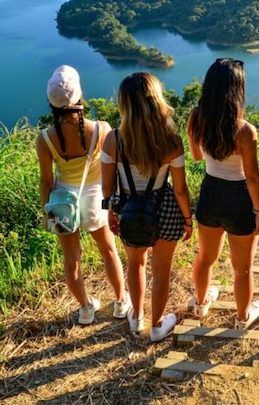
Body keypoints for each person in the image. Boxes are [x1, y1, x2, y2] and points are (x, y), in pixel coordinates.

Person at [101, 72, 194, 342]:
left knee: (135, 264)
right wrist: (188, 219)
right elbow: (180, 188)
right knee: (162, 269)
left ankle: (137, 318)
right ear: (157, 101)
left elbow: (108, 188)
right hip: (165, 208)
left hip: (130, 208)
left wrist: (111, 212)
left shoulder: (113, 139)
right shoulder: (171, 140)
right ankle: (156, 326)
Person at [37, 65, 129, 325]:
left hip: (63, 203)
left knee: (71, 259)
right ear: (79, 97)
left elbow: (46, 181)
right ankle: (121, 302)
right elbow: (114, 168)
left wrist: (46, 212)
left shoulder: (45, 139)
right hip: (96, 200)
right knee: (108, 250)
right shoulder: (101, 129)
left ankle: (86, 308)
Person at [187, 58, 259, 329]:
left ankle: (200, 304)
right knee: (242, 268)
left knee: (205, 257)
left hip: (210, 193)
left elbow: (197, 156)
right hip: (239, 198)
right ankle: (243, 318)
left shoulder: (196, 117)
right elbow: (253, 177)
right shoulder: (245, 131)